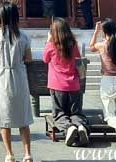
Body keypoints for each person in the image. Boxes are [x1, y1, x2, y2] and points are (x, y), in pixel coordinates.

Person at [0, 2, 32, 162]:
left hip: (1, 75)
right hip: (18, 74)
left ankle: (9, 154)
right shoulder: (23, 36)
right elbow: (28, 58)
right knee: (23, 117)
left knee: (4, 117)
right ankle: (27, 153)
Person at [44, 18, 88, 147]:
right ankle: (80, 126)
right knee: (76, 113)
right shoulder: (73, 44)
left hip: (57, 86)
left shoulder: (52, 45)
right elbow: (78, 61)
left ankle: (69, 128)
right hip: (74, 85)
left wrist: (48, 40)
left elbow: (45, 59)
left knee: (59, 114)